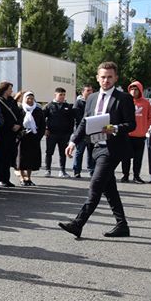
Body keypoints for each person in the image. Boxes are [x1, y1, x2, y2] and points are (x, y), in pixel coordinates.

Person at [58, 62, 135, 240]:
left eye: (109, 77)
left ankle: (78, 223)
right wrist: (72, 142)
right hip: (96, 147)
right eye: (103, 77)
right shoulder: (91, 98)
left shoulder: (123, 98)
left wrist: (114, 128)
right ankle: (122, 225)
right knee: (109, 188)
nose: (106, 80)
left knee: (95, 185)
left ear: (115, 77)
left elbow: (131, 124)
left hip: (113, 149)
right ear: (97, 78)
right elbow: (85, 121)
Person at [121, 81, 151, 184]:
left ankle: (136, 176)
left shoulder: (146, 103)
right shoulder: (125, 101)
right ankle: (125, 175)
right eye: (131, 89)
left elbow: (150, 117)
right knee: (125, 157)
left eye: (136, 89)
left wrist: (145, 128)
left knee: (138, 158)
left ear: (140, 90)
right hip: (127, 134)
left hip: (140, 135)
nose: (133, 91)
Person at [0, 81, 22, 188]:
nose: (11, 91)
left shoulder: (12, 101)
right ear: (5, 89)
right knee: (1, 156)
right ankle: (0, 178)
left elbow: (19, 114)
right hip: (4, 132)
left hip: (13, 133)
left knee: (9, 157)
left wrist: (19, 124)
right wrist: (10, 126)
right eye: (10, 88)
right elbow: (0, 117)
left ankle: (6, 178)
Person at [42, 87, 73, 178]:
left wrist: (70, 133)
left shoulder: (68, 106)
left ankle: (62, 170)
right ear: (55, 95)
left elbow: (71, 121)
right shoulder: (49, 106)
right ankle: (48, 170)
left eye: (64, 95)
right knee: (49, 152)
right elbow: (42, 118)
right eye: (60, 95)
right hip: (52, 134)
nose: (62, 97)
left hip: (64, 134)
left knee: (63, 153)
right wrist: (45, 129)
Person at [17, 91, 45, 186]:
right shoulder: (20, 110)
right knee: (21, 158)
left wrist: (38, 136)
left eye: (32, 99)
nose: (30, 100)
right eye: (28, 98)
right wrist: (19, 133)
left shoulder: (38, 110)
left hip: (34, 137)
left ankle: (28, 178)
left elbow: (42, 125)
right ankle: (22, 177)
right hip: (23, 137)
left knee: (31, 158)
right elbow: (17, 122)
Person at [72, 84, 95, 178]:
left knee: (91, 152)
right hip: (81, 132)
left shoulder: (94, 102)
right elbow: (79, 118)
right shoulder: (78, 103)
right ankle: (77, 171)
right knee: (79, 152)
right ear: (83, 92)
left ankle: (92, 170)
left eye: (91, 90)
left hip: (92, 131)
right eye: (87, 91)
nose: (90, 92)